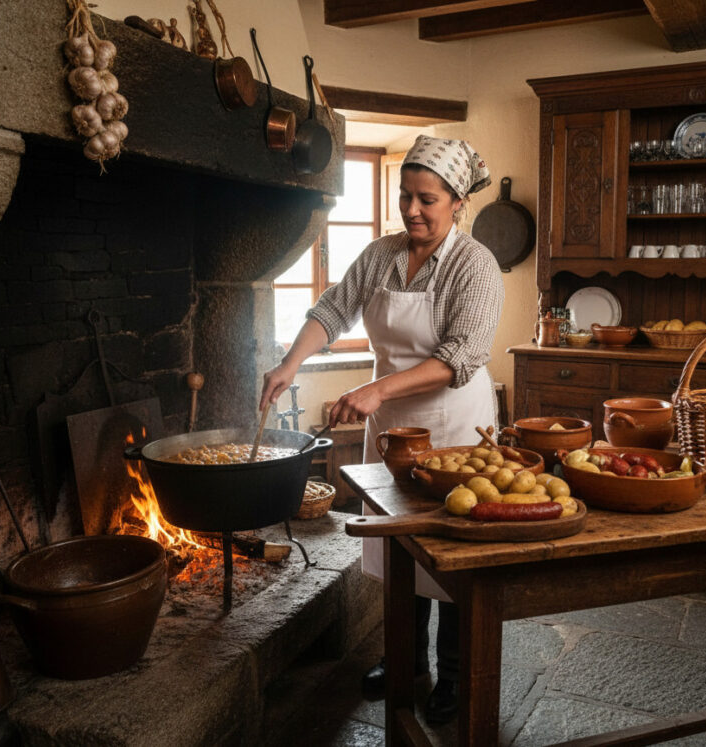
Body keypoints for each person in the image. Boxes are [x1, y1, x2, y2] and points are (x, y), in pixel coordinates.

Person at [260, 135, 503, 724]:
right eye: (405, 197)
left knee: (451, 547)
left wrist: (375, 391)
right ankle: (404, 662)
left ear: (457, 202)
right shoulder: (381, 255)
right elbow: (332, 310)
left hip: (454, 424)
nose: (412, 211)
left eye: (427, 200)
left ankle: (455, 675)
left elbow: (459, 358)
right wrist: (289, 365)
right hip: (392, 425)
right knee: (399, 546)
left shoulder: (475, 265)